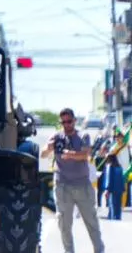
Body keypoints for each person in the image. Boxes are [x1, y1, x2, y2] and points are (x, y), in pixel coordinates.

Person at [51, 108, 105, 253]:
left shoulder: (83, 135)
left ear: (74, 121)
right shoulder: (57, 137)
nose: (66, 125)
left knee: (92, 223)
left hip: (82, 185)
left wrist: (70, 155)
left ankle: (99, 250)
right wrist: (49, 146)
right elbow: (44, 153)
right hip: (63, 186)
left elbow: (85, 154)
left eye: (69, 121)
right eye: (63, 122)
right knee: (64, 224)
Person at [102, 155, 125, 220]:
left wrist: (107, 189)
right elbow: (122, 178)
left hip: (112, 189)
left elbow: (110, 179)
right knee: (118, 204)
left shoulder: (110, 167)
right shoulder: (120, 167)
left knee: (112, 204)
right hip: (120, 189)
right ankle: (118, 217)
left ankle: (112, 218)